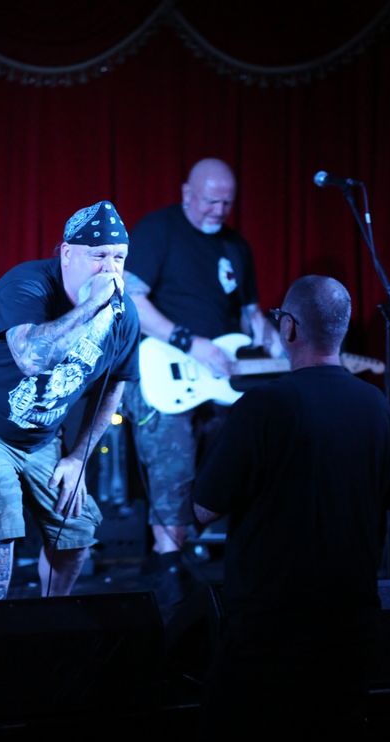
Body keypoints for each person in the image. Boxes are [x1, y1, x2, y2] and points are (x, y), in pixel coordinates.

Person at [193, 275, 390, 742]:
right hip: (351, 612)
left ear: (287, 328)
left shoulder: (264, 405)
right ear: (341, 329)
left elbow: (204, 507)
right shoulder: (375, 406)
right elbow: (387, 499)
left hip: (269, 617)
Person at [0, 200, 140, 600]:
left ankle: (49, 620)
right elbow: (30, 358)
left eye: (118, 258)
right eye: (99, 256)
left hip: (38, 436)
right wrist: (91, 305)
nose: (110, 270)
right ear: (67, 253)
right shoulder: (27, 285)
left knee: (76, 532)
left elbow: (115, 385)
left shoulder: (123, 315)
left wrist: (78, 458)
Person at [123, 158, 280, 572]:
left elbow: (249, 312)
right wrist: (190, 343)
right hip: (164, 370)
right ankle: (169, 573)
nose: (219, 210)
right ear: (186, 193)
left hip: (223, 379)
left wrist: (267, 334)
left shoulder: (236, 246)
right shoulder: (159, 230)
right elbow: (131, 301)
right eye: (211, 201)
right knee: (172, 472)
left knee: (247, 459)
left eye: (227, 203)